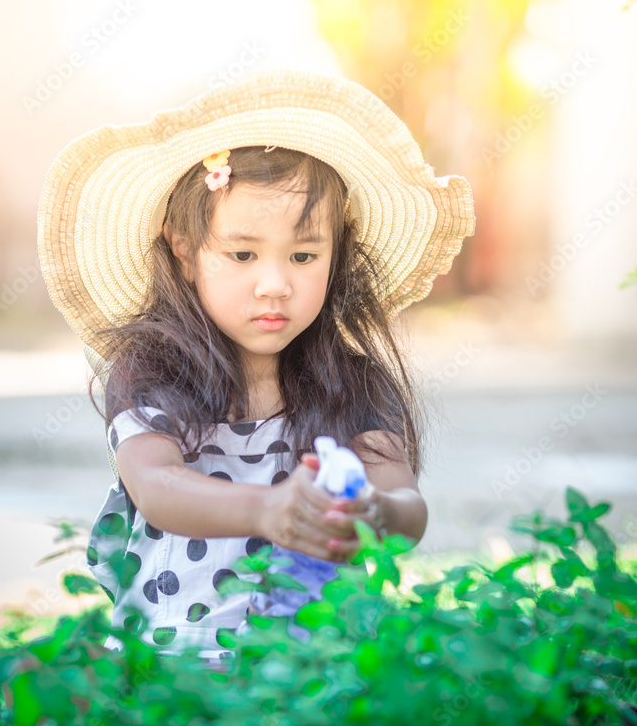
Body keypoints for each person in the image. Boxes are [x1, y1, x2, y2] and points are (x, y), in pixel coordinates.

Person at [36, 68, 475, 666]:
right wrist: (265, 509)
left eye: (303, 255)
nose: (275, 284)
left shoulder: (354, 385)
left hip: (309, 671)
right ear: (186, 251)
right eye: (242, 254)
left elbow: (405, 503)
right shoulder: (151, 370)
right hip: (170, 666)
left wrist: (373, 512)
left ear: (335, 254)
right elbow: (157, 485)